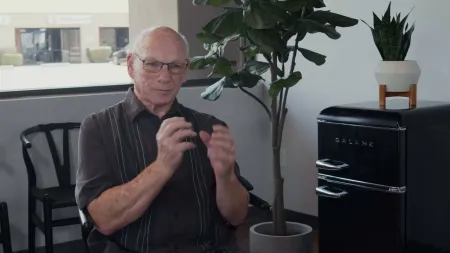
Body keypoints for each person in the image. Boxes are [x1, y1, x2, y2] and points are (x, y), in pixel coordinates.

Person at [75, 26, 250, 253]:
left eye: (175, 66)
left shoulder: (209, 128)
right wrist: (162, 166)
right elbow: (104, 220)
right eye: (152, 64)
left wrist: (225, 177)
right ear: (130, 66)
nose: (165, 77)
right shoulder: (98, 127)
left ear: (185, 71)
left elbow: (237, 216)